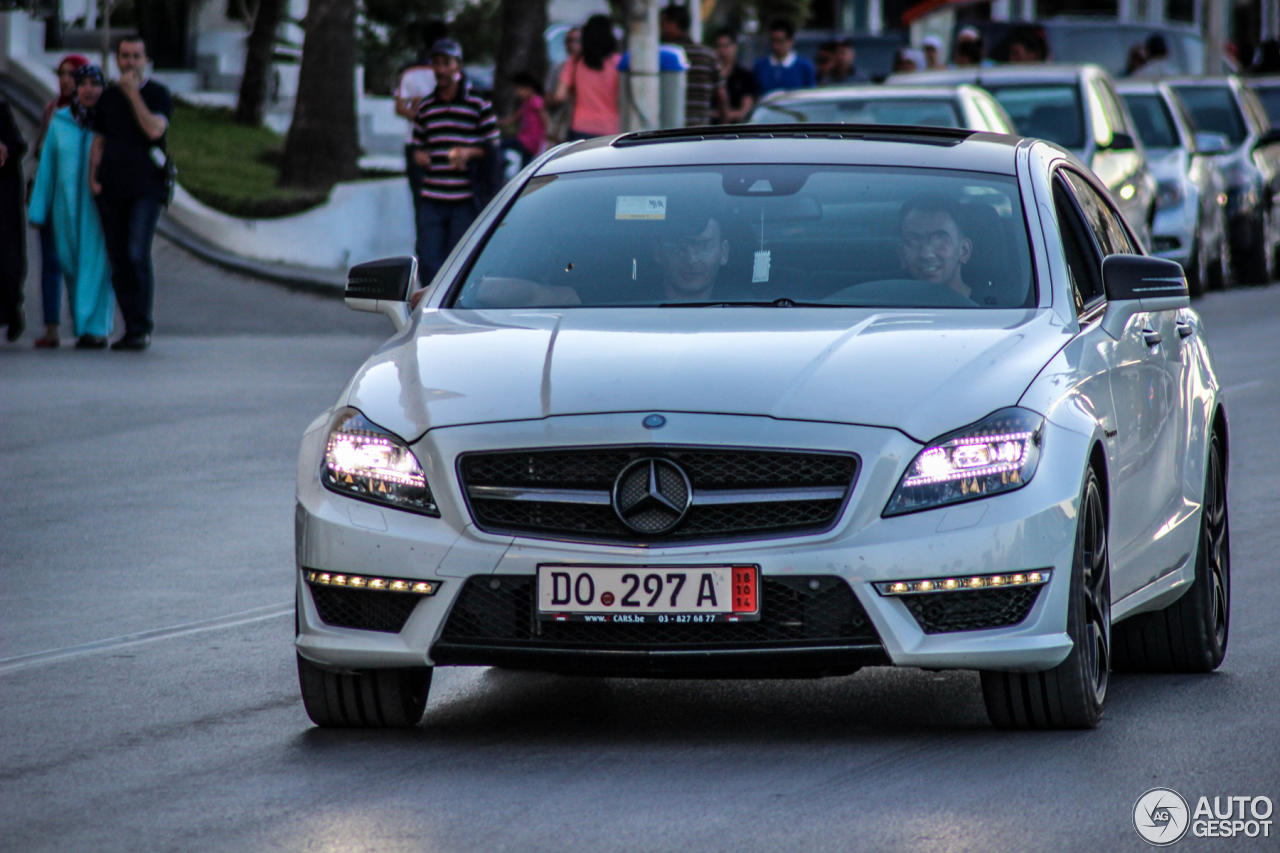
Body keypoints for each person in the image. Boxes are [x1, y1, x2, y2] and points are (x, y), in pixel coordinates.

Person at [90, 35, 172, 352]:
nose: (129, 62)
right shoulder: (108, 97)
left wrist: (132, 94)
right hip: (110, 189)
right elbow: (99, 139)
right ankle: (131, 330)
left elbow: (154, 130)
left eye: (136, 56)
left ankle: (142, 326)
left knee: (137, 253)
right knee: (119, 259)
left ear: (146, 59)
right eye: (124, 56)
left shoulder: (157, 94)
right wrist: (92, 178)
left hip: (146, 189)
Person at [28, 65, 115, 349]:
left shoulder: (112, 121)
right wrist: (39, 210)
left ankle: (96, 329)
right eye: (83, 84)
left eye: (95, 83)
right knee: (70, 265)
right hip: (64, 212)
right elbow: (47, 170)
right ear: (75, 89)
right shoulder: (60, 121)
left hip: (99, 211)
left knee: (97, 268)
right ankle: (84, 326)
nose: (89, 90)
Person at [411, 38, 498, 282]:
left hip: (464, 199)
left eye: (445, 63)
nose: (440, 69)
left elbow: (492, 148)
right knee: (428, 259)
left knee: (459, 260)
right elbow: (418, 146)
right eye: (436, 63)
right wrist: (420, 156)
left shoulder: (479, 103)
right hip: (432, 198)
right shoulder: (426, 107)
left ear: (457, 67)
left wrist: (469, 153)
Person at [32, 54, 89, 348]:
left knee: (80, 263)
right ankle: (52, 327)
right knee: (51, 264)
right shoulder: (51, 109)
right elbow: (39, 151)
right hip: (53, 197)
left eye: (72, 74)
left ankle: (85, 325)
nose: (65, 79)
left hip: (81, 202)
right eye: (62, 73)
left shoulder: (91, 113)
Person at [396, 19, 449, 226]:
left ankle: (424, 251)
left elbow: (400, 108)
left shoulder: (409, 71)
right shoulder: (453, 73)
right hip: (446, 141)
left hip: (416, 143)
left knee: (420, 202)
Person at [553, 15, 621, 140]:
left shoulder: (575, 62)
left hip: (580, 127)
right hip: (611, 129)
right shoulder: (618, 63)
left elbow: (559, 96)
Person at [898, 196, 972, 300]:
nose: (926, 254)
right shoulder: (882, 304)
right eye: (914, 240)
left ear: (964, 251)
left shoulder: (995, 310)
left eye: (940, 239)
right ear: (901, 254)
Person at [659, 4, 718, 127]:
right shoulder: (708, 55)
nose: (660, 28)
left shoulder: (662, 56)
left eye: (663, 23)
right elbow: (720, 93)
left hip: (668, 130)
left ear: (673, 24)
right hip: (700, 129)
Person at [653, 209, 729, 303]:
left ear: (723, 252)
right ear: (658, 252)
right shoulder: (747, 311)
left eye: (703, 246)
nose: (691, 260)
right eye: (679, 246)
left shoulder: (745, 309)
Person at [0, 95, 28, 343]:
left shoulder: (1, 108)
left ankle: (12, 310)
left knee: (7, 257)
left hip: (3, 197)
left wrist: (5, 150)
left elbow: (19, 146)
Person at [497, 71, 548, 167]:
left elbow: (544, 118)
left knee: (501, 144)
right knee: (525, 167)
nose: (517, 93)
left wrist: (546, 138)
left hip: (529, 140)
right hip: (526, 140)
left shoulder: (535, 101)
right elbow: (514, 118)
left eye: (519, 89)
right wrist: (499, 122)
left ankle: (503, 161)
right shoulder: (525, 102)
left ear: (528, 88)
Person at [752, 19, 816, 95]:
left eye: (780, 41)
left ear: (791, 41)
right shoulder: (760, 67)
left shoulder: (804, 67)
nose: (775, 46)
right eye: (772, 41)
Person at [544, 26, 581, 145]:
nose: (571, 45)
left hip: (584, 127)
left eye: (576, 40)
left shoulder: (591, 69)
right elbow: (548, 100)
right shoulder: (557, 69)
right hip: (561, 128)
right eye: (568, 41)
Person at [713, 29, 758, 124]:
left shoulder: (744, 76)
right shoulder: (710, 75)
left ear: (735, 47)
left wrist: (727, 115)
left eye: (725, 46)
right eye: (718, 46)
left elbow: (746, 109)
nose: (722, 50)